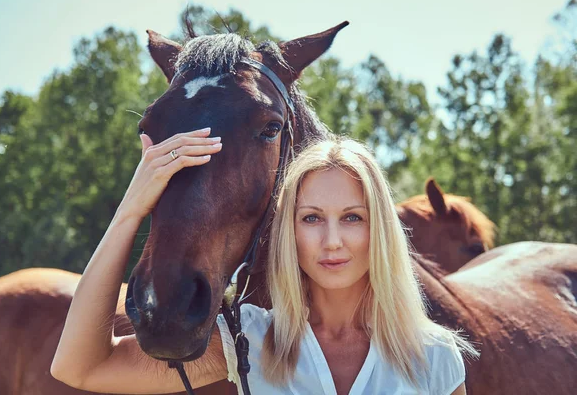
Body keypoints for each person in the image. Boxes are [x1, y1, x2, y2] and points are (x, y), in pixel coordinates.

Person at [51, 128, 478, 394]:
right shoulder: (248, 342)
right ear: (289, 231)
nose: (332, 241)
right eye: (311, 218)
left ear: (379, 230)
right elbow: (80, 367)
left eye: (352, 218)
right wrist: (130, 211)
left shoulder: (435, 356)